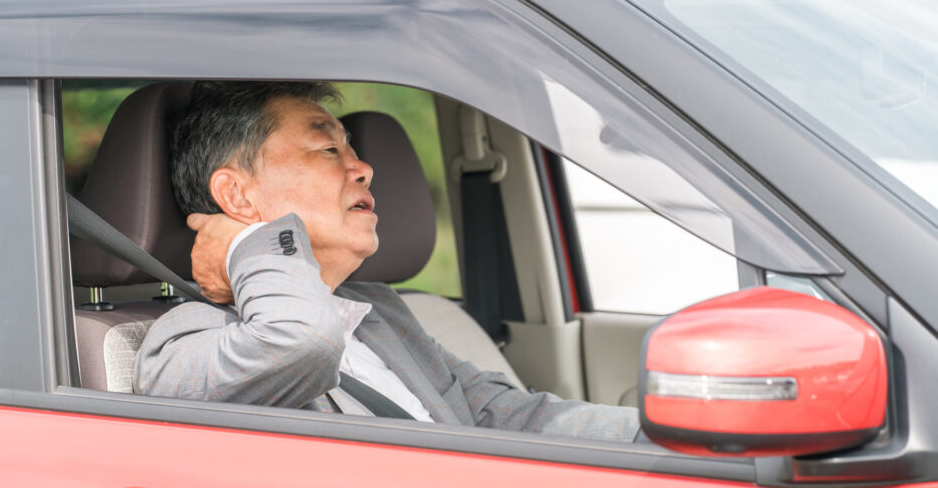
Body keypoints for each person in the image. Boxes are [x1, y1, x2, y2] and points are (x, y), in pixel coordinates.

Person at [134, 81, 641, 441]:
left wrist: (666, 435)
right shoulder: (180, 343)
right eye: (327, 148)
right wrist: (252, 242)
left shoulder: (381, 312)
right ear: (237, 196)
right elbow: (302, 340)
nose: (364, 167)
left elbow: (500, 416)